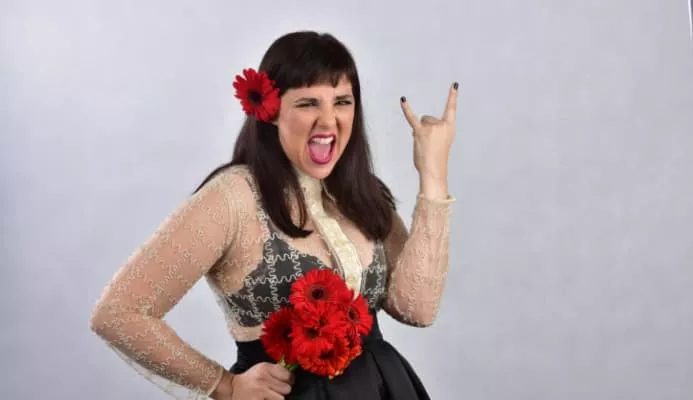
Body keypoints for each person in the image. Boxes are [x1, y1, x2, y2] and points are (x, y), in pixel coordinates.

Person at [90, 30, 457, 400]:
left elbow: (417, 309)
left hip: (382, 389)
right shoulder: (233, 197)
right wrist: (225, 385)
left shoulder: (362, 192)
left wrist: (433, 175)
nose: (328, 121)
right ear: (270, 111)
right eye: (308, 103)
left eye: (342, 102)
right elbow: (118, 312)